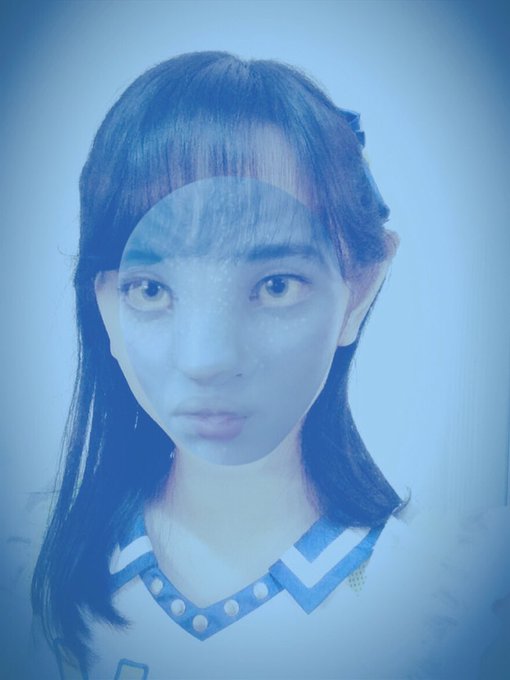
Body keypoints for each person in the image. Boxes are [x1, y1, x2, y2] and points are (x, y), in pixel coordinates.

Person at [30, 52, 509, 680]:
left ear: (358, 291)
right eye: (152, 289)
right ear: (107, 308)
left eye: (275, 285)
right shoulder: (34, 570)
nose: (208, 361)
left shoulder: (452, 605)